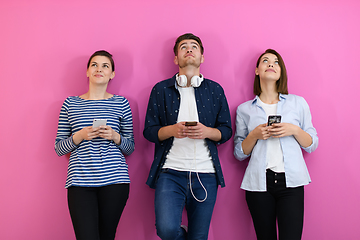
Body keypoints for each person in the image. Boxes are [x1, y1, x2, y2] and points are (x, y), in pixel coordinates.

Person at [143, 33, 232, 240]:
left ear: (202, 57)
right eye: (183, 47)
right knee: (166, 230)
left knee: (199, 237)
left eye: (194, 47)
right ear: (176, 58)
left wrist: (207, 132)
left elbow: (226, 130)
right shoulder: (161, 90)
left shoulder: (215, 90)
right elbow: (149, 131)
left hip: (206, 174)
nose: (189, 49)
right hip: (170, 173)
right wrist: (172, 131)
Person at [234, 49, 319, 240]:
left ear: (281, 71)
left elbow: (312, 144)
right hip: (258, 184)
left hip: (291, 183)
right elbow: (239, 153)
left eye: (276, 62)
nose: (271, 64)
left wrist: (294, 130)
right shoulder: (244, 109)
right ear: (257, 70)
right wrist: (254, 135)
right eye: (265, 61)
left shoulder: (298, 103)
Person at [55, 50, 135, 240]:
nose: (99, 69)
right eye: (95, 65)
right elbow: (59, 148)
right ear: (88, 72)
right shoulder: (70, 103)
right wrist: (80, 135)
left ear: (112, 74)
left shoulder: (121, 103)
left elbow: (130, 148)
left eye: (105, 66)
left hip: (115, 180)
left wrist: (115, 136)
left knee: (107, 236)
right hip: (80, 181)